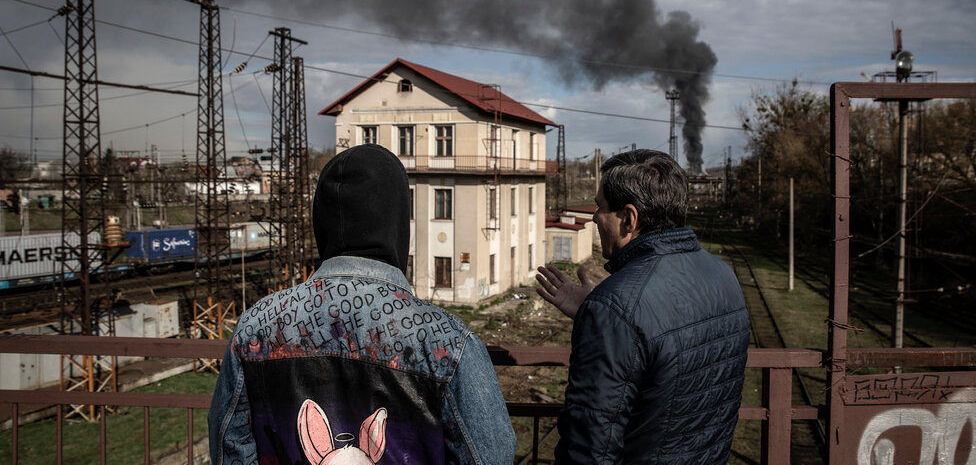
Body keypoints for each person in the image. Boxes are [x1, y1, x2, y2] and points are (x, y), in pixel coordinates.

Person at [209, 144, 516, 465]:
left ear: (321, 224)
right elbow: (491, 455)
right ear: (397, 224)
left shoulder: (256, 327)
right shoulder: (448, 343)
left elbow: (229, 446)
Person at [536, 149, 750, 464]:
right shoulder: (723, 274)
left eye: (600, 206)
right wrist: (597, 310)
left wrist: (606, 312)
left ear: (629, 218)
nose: (594, 216)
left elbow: (590, 442)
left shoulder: (615, 307)